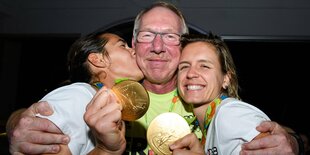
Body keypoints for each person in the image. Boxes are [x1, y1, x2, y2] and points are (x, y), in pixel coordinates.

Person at [6, 1, 300, 155]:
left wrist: (293, 141)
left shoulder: (201, 97)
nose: (157, 47)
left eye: (170, 36)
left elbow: (251, 125)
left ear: (182, 45)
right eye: (147, 35)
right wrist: (17, 121)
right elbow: (62, 106)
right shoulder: (105, 93)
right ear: (133, 46)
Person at [7, 31, 144, 154]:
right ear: (98, 60)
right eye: (123, 46)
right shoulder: (78, 95)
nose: (134, 51)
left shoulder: (102, 99)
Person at [170, 33, 272, 154]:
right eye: (184, 66)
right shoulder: (212, 121)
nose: (191, 73)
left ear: (226, 79)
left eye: (204, 66)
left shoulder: (230, 113)